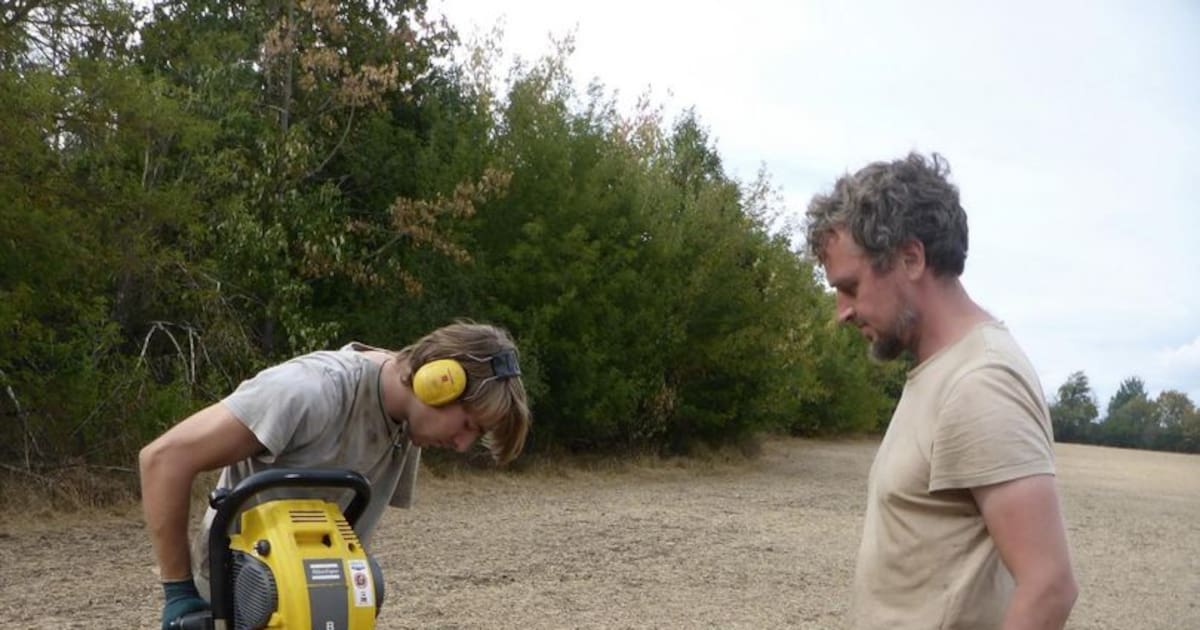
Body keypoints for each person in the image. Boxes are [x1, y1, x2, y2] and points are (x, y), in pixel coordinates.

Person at [804, 153, 1078, 629]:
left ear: (911, 258)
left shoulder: (980, 383)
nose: (841, 312)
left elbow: (1049, 586)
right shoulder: (940, 370)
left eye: (849, 287)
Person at [139, 320, 531, 630]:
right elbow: (164, 459)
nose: (462, 445)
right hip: (245, 598)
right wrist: (179, 594)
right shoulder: (311, 391)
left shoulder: (408, 425)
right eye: (467, 424)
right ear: (437, 381)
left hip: (316, 601)